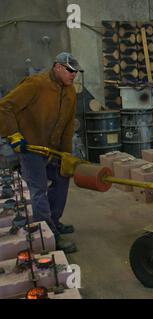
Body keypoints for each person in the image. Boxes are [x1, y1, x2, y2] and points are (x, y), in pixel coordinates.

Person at [0, 52, 83, 254]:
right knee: (39, 190)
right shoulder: (35, 84)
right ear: (57, 67)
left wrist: (66, 154)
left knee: (62, 181)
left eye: (75, 72)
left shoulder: (70, 91)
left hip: (53, 148)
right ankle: (48, 234)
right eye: (70, 71)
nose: (73, 75)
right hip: (31, 147)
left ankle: (54, 221)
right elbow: (4, 107)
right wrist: (14, 136)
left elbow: (68, 125)